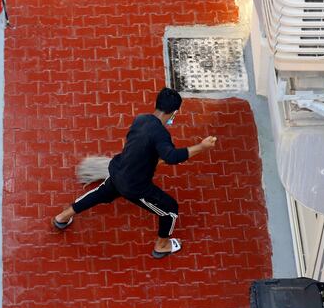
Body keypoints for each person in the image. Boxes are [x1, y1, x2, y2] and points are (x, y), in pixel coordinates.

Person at [52, 87, 217, 258]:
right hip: (134, 186)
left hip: (119, 169)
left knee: (100, 194)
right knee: (170, 209)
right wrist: (202, 147)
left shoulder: (141, 120)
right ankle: (162, 245)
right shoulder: (160, 134)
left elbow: (142, 149)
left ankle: (63, 217)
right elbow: (172, 156)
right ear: (174, 112)